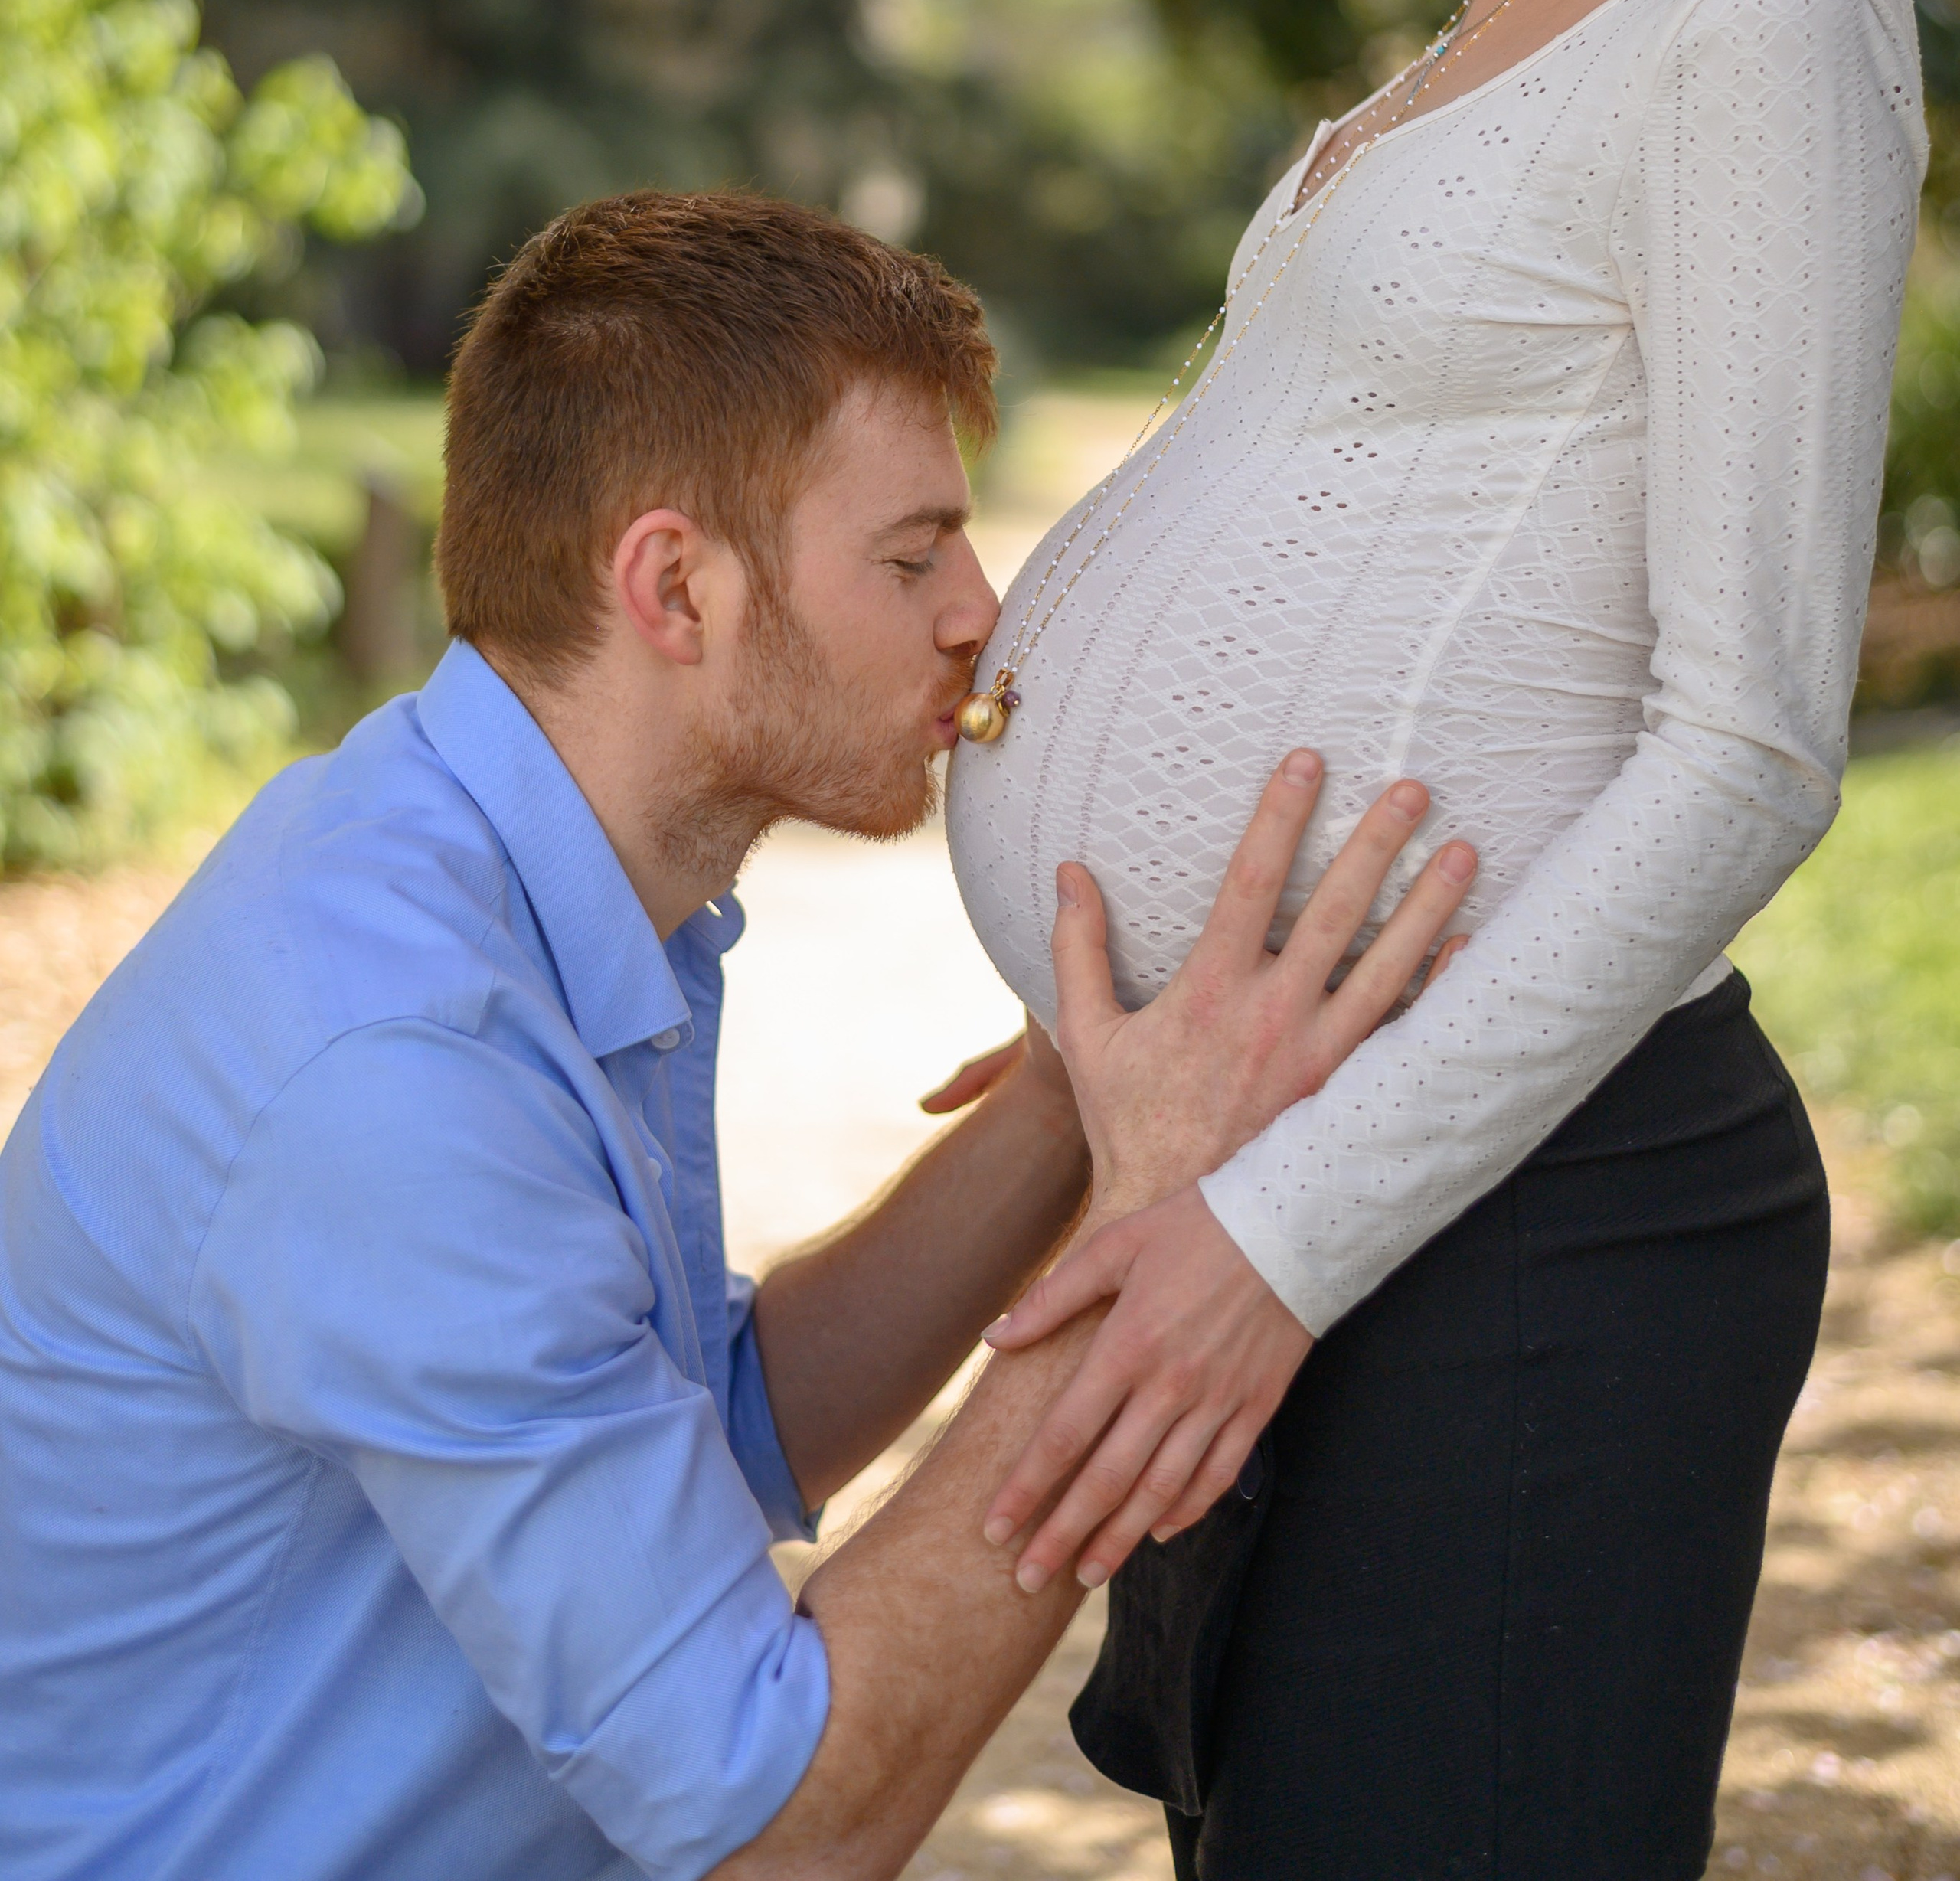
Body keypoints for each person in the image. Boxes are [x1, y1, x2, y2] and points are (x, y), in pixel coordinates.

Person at [946, 0, 1926, 1878]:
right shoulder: (1499, 20)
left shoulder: (1769, 7)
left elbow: (1748, 748)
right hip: (1313, 1168)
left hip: (1526, 1223)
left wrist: (1285, 1230)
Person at [0, 187, 1475, 1881]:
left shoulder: (485, 870)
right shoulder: (390, 1065)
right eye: (911, 551)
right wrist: (1164, 1232)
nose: (975, 609)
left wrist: (1073, 1103)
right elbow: (772, 1821)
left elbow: (712, 1431)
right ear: (674, 584)